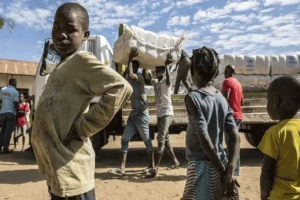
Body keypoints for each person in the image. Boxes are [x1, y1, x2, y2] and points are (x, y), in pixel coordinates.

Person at [31, 2, 132, 199]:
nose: (61, 34)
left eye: (70, 30)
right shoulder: (61, 66)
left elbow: (121, 87)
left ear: (85, 35)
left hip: (73, 172)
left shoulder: (82, 60)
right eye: (57, 27)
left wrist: (82, 128)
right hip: (58, 167)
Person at [181, 46, 240, 200]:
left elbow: (205, 140)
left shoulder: (193, 98)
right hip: (222, 161)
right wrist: (230, 171)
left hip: (201, 165)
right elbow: (235, 137)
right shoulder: (221, 98)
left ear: (196, 72)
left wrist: (223, 172)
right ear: (215, 72)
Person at [109, 47, 155, 177]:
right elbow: (124, 77)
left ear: (134, 68)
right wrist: (129, 60)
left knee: (147, 140)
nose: (129, 69)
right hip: (134, 115)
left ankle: (151, 167)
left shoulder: (138, 77)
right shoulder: (130, 78)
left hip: (141, 115)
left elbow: (129, 74)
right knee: (124, 139)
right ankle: (121, 168)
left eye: (130, 66)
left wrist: (129, 58)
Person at [258, 75, 300, 200]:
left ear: (276, 101)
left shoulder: (274, 133)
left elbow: (267, 172)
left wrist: (264, 196)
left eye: (268, 100)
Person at [145, 54, 180, 176]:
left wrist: (166, 66)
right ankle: (175, 161)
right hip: (160, 114)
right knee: (166, 139)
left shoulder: (166, 82)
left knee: (161, 139)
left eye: (159, 71)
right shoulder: (155, 83)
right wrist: (146, 66)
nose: (157, 73)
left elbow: (169, 79)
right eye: (156, 72)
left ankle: (156, 167)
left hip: (167, 113)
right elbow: (148, 77)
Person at [222, 65, 243, 176]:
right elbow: (242, 102)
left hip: (230, 116)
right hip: (238, 115)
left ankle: (233, 172)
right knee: (235, 144)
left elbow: (225, 99)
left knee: (230, 145)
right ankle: (236, 171)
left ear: (226, 72)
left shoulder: (227, 82)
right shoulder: (238, 84)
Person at [0, 78, 19, 154]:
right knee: (8, 131)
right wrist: (17, 111)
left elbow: (1, 100)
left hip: (2, 113)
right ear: (14, 83)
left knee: (2, 131)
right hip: (11, 113)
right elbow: (15, 103)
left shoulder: (3, 89)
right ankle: (5, 149)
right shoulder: (15, 92)